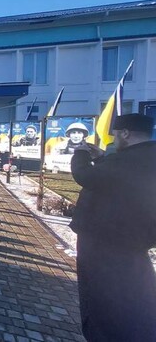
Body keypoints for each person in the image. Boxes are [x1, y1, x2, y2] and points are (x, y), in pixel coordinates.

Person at [69, 114, 156, 341]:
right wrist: (103, 158)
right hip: (133, 241)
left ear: (126, 133)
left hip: (105, 242)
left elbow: (85, 175)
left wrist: (79, 152)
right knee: (135, 295)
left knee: (101, 300)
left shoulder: (128, 160)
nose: (114, 140)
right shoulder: (146, 156)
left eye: (116, 135)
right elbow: (115, 180)